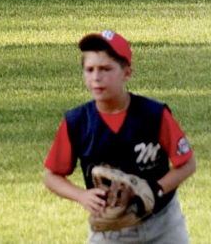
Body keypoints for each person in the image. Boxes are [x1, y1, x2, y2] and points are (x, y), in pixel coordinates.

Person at [45, 30, 196, 243]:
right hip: (110, 230)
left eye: (106, 69)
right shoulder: (77, 122)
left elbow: (187, 164)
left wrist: (156, 190)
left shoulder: (153, 114)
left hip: (163, 225)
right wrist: (81, 195)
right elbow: (51, 176)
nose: (96, 78)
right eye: (89, 70)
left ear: (127, 73)